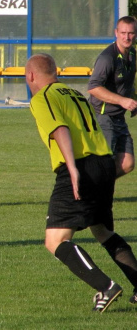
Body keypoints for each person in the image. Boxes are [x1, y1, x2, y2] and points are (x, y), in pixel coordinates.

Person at [26, 53, 137, 313]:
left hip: (79, 166)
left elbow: (60, 128)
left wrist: (73, 169)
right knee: (103, 231)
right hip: (103, 163)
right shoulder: (74, 93)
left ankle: (105, 286)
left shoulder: (42, 97)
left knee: (55, 240)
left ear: (31, 75)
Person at [87, 16, 137, 178]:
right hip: (102, 116)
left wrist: (133, 100)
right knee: (104, 162)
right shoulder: (107, 58)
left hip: (118, 117)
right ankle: (92, 191)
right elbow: (93, 87)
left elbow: (127, 83)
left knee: (127, 162)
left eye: (130, 33)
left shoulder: (132, 54)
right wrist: (123, 101)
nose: (127, 37)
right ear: (116, 32)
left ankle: (95, 187)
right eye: (123, 33)